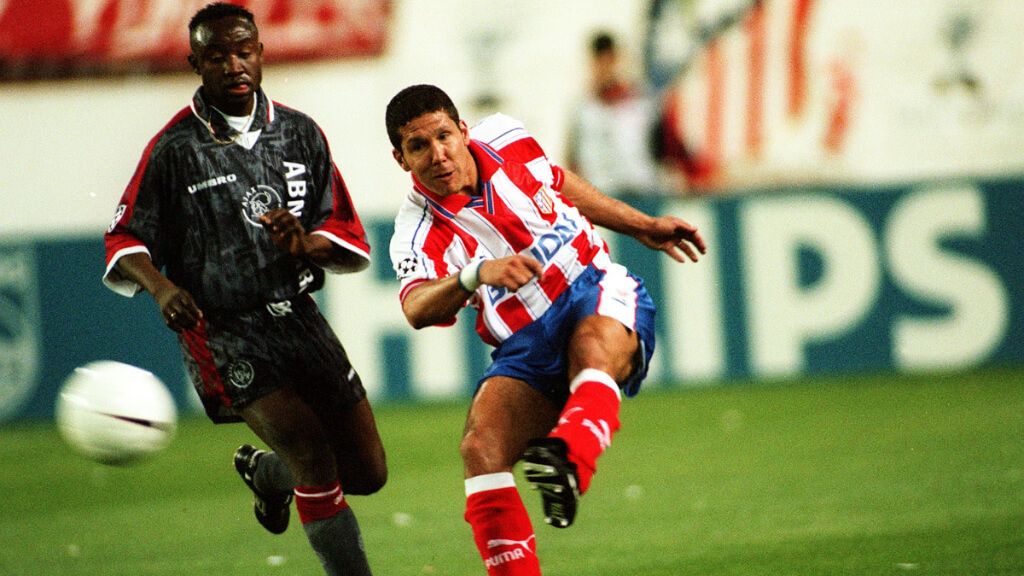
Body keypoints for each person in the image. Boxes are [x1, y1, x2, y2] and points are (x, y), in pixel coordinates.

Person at [102, 4, 386, 575]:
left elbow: (346, 235)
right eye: (216, 56)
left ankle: (267, 474)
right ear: (196, 64)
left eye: (243, 51)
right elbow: (122, 237)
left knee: (367, 472)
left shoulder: (300, 132)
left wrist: (307, 245)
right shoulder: (173, 150)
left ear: (260, 52)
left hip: (300, 317)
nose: (234, 64)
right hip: (226, 330)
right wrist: (160, 290)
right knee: (312, 454)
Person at [385, 84, 706, 575]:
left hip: (593, 289)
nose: (438, 154)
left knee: (592, 348)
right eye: (418, 147)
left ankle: (570, 459)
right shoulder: (416, 228)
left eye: (444, 136)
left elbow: (557, 183)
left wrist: (640, 224)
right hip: (526, 346)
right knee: (480, 449)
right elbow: (416, 306)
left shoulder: (507, 135)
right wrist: (475, 274)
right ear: (400, 159)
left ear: (463, 129)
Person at [566, 31, 664, 198]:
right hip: (601, 199)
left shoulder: (644, 105)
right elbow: (572, 160)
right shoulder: (582, 110)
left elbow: (666, 151)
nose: (605, 68)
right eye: (599, 61)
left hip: (642, 195)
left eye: (610, 60)